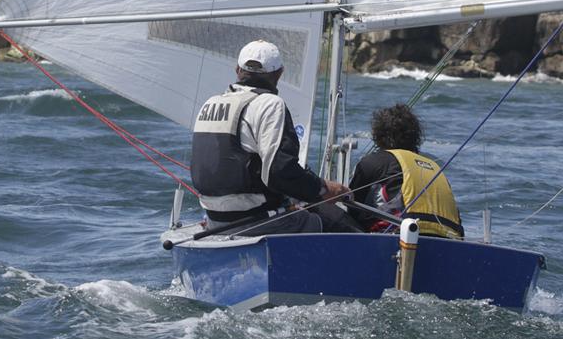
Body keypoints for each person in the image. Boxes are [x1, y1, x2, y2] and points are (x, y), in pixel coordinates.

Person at [191, 40, 351, 235]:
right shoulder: (269, 104)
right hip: (259, 222)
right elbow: (280, 172)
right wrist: (324, 189)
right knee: (341, 226)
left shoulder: (210, 103)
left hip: (215, 221)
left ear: (237, 70)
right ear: (279, 73)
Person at [347, 104, 465, 239]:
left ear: (379, 135)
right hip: (448, 241)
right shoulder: (435, 168)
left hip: (400, 237)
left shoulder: (375, 162)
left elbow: (351, 206)